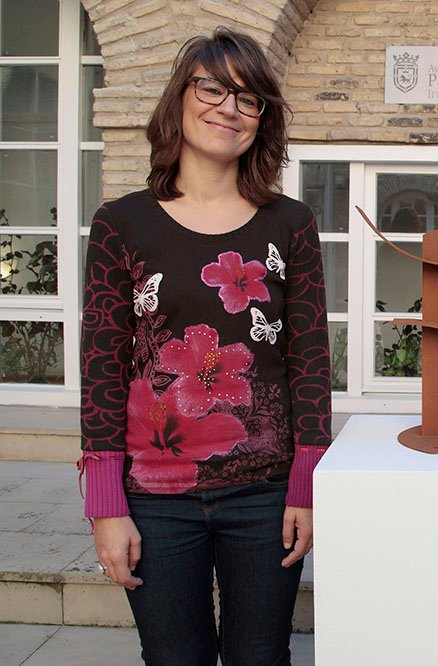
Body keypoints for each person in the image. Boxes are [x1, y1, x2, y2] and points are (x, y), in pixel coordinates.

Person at [79, 28, 330, 665]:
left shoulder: (291, 223)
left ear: (262, 120)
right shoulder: (121, 223)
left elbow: (310, 358)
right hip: (155, 497)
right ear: (179, 100)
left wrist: (306, 484)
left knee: (262, 658)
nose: (230, 108)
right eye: (213, 88)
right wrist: (105, 502)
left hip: (266, 494)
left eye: (250, 100)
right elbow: (101, 364)